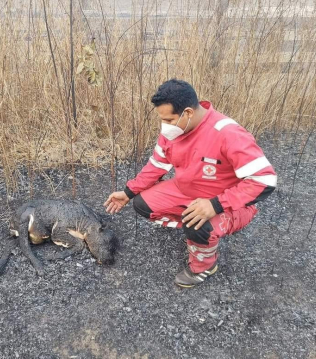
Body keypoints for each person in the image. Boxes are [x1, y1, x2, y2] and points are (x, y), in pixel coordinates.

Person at [103, 79, 277, 288]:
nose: (164, 126)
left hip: (228, 201)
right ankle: (197, 231)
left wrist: (215, 205)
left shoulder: (228, 133)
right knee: (142, 204)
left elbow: (265, 180)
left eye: (169, 119)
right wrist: (128, 192)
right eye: (162, 120)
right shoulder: (174, 131)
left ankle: (204, 265)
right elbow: (156, 165)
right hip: (186, 190)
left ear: (187, 113)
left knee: (199, 224)